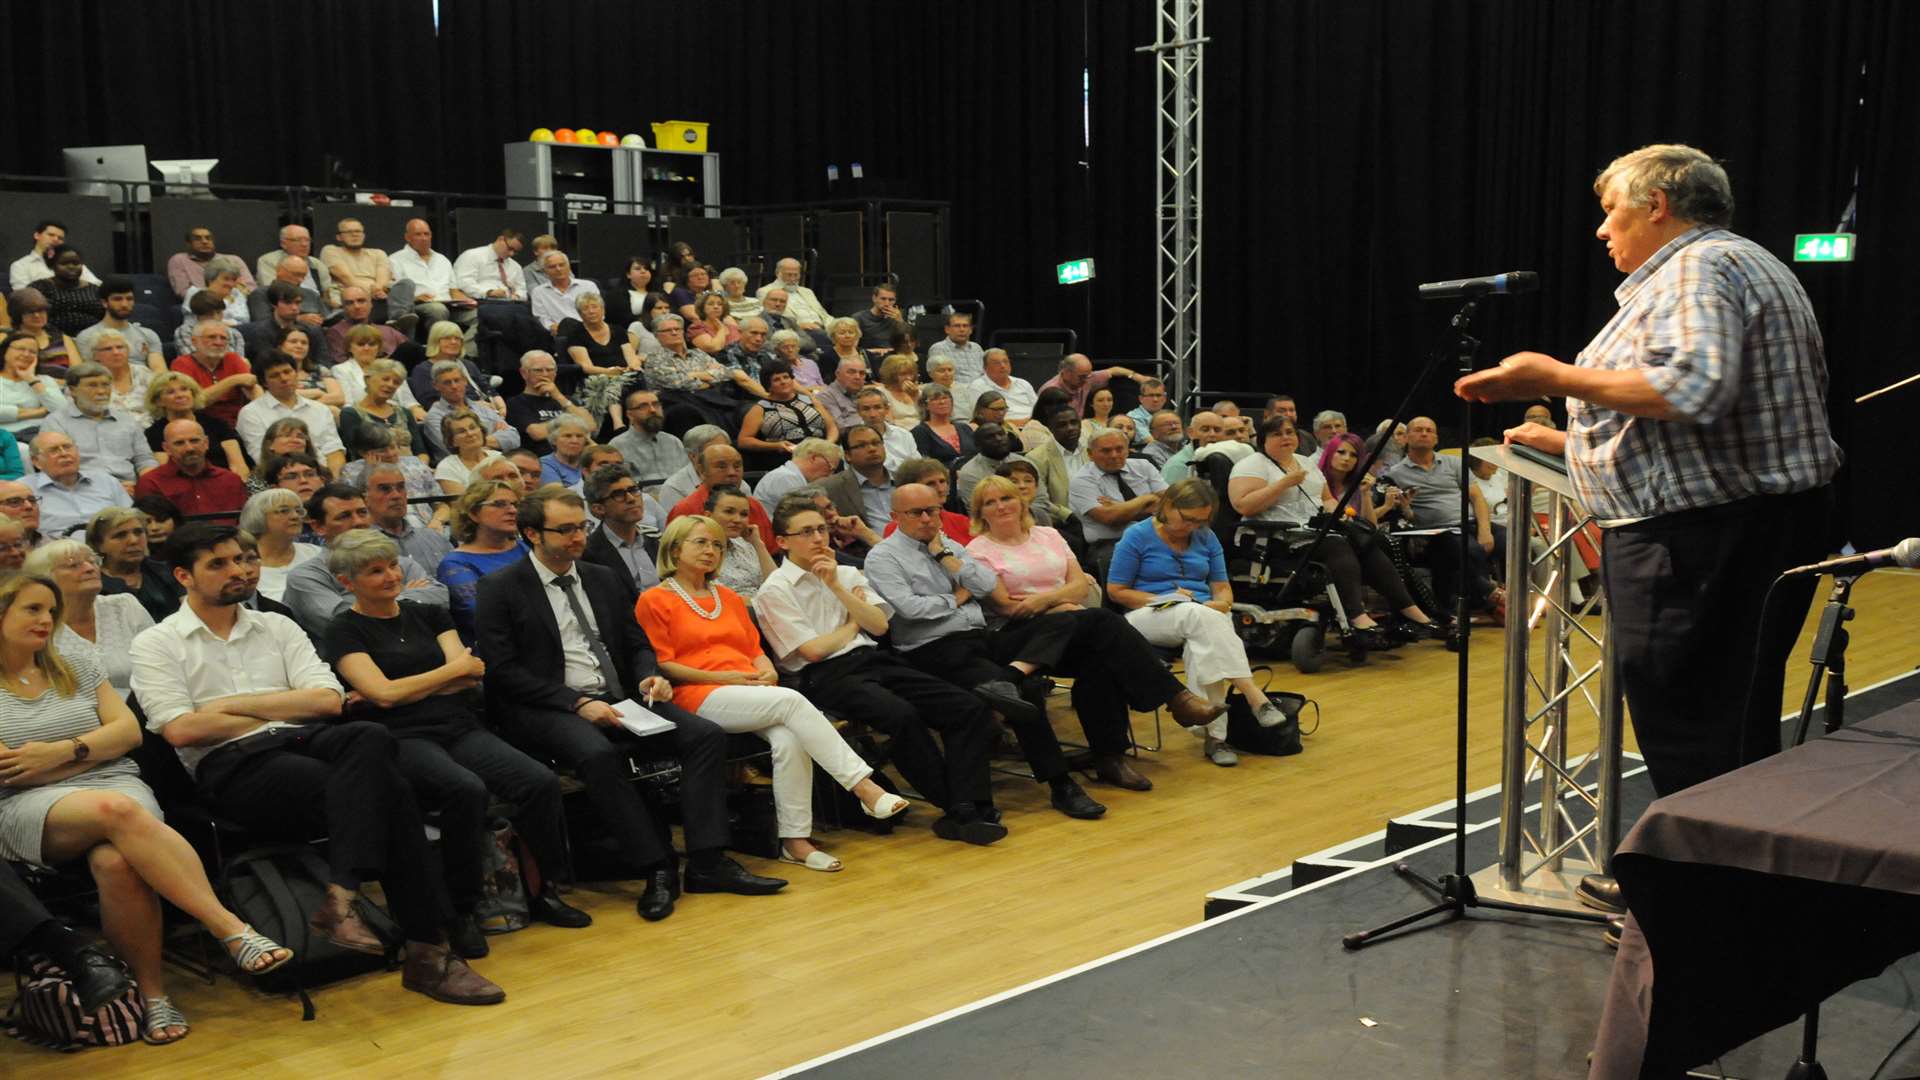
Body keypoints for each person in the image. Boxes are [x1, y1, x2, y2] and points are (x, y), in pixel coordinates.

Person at [1453, 144, 1842, 919]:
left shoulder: (1695, 271)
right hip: (1743, 526)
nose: (1602, 230)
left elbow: (1691, 388)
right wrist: (1574, 443)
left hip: (1700, 541)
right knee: (1729, 716)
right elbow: (1719, 416)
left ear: (1658, 204)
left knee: (1691, 720)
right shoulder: (1745, 262)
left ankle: (1701, 912)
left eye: (1612, 210)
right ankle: (1720, 887)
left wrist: (1551, 377)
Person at [132, 523, 502, 1004]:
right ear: (183, 575)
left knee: (368, 734)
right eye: (219, 563)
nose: (240, 570)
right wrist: (284, 701)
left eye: (245, 558)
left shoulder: (278, 625)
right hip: (235, 765)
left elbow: (328, 702)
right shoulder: (158, 642)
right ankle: (427, 951)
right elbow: (181, 729)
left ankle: (348, 896)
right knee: (390, 794)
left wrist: (229, 705)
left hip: (312, 741)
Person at [0, 570, 293, 1044]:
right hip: (25, 805)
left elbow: (129, 734)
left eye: (51, 611)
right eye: (32, 609)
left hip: (114, 783)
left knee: (117, 860)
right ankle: (229, 927)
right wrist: (93, 748)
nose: (46, 619)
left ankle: (151, 998)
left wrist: (60, 752)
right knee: (117, 811)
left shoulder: (73, 662)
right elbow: (10, 772)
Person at [476, 486, 786, 918]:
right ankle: (657, 866)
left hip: (621, 696)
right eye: (563, 530)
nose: (576, 537)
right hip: (547, 705)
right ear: (531, 533)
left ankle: (707, 861)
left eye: (580, 527)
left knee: (704, 736)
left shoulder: (601, 576)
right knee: (598, 754)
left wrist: (649, 677)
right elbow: (503, 669)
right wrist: (576, 703)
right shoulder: (501, 588)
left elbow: (635, 642)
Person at [324, 529, 587, 952]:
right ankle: (462, 909)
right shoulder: (343, 631)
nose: (391, 575)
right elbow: (387, 696)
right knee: (464, 789)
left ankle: (544, 890)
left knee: (537, 781)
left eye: (392, 565)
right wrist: (429, 681)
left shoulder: (428, 614)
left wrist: (402, 688)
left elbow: (470, 674)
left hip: (457, 725)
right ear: (347, 582)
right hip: (400, 738)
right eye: (375, 571)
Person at [640, 514, 908, 868]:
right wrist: (731, 679)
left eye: (718, 545)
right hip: (697, 693)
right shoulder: (654, 599)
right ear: (674, 548)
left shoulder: (730, 598)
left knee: (789, 739)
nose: (711, 551)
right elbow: (666, 664)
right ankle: (864, 787)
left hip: (748, 690)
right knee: (792, 700)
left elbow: (754, 650)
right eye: (701, 542)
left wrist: (764, 669)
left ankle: (795, 842)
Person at [753, 494, 1008, 853]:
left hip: (873, 660)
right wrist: (849, 623)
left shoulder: (845, 573)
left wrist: (837, 589)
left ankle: (970, 804)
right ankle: (957, 808)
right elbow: (811, 651)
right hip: (824, 676)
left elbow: (877, 625)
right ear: (782, 541)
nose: (817, 539)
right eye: (806, 532)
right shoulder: (774, 589)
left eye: (822, 529)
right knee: (901, 715)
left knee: (967, 706)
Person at [865, 484, 1115, 817]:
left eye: (933, 510)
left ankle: (1010, 676)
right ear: (896, 517)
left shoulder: (950, 546)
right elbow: (911, 610)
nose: (927, 519)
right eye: (916, 513)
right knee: (1024, 693)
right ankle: (1062, 785)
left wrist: (945, 558)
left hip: (979, 636)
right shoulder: (883, 557)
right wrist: (956, 598)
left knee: (1067, 620)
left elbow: (984, 587)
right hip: (931, 648)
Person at [967, 473, 1226, 787]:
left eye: (1006, 498)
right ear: (980, 512)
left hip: (1069, 628)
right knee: (1102, 622)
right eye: (990, 502)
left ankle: (1109, 758)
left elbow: (1080, 586)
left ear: (1021, 501)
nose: (1001, 506)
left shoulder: (1048, 534)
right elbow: (1008, 606)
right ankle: (1176, 700)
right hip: (1017, 638)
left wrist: (1050, 601)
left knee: (1101, 662)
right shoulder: (977, 550)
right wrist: (1060, 605)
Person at [1106, 479, 1300, 766]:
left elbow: (1222, 587)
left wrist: (1221, 603)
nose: (1193, 527)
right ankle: (1254, 696)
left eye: (1200, 521)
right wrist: (1168, 597)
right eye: (1187, 519)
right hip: (1148, 614)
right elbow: (1117, 591)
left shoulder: (1206, 537)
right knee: (1200, 617)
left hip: (1200, 614)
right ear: (1168, 506)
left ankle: (1215, 737)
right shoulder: (1137, 536)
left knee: (1203, 637)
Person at [1229, 415, 1440, 642]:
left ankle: (1410, 609)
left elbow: (1326, 499)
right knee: (1336, 545)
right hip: (1274, 535)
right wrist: (1283, 484)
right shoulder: (1252, 464)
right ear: (1263, 440)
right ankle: (1356, 615)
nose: (1285, 437)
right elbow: (1243, 505)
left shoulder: (1305, 462)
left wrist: (1345, 517)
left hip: (1313, 529)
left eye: (1290, 432)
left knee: (1368, 542)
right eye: (1277, 434)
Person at [282, 483, 449, 639]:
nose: (358, 522)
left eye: (362, 513)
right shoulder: (306, 577)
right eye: (344, 516)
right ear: (319, 527)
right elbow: (342, 622)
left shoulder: (400, 562)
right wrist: (404, 595)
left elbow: (440, 598)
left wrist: (371, 603)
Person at [1376, 416, 1501, 616]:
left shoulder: (1455, 463)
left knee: (1512, 541)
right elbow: (1402, 516)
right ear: (1406, 438)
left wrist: (1485, 530)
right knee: (1470, 549)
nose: (1424, 433)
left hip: (1471, 522)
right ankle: (1492, 597)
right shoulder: (1395, 474)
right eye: (1418, 430)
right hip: (1439, 530)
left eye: (1429, 430)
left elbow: (1477, 499)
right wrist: (1407, 509)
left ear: (1436, 439)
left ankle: (1510, 596)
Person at [435, 480, 525, 642]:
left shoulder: (529, 548)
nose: (512, 510)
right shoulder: (455, 563)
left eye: (515, 504)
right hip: (495, 648)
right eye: (500, 504)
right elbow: (482, 615)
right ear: (473, 513)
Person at [40, 361, 156, 487]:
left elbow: (145, 460)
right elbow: (56, 465)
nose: (101, 391)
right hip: (82, 489)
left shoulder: (127, 421)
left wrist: (145, 485)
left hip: (130, 487)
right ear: (73, 390)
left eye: (106, 385)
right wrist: (109, 488)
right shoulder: (56, 422)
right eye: (92, 385)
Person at [235, 351, 346, 473]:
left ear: (296, 374)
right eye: (274, 375)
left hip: (323, 475)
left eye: (287, 372)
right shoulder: (251, 413)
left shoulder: (320, 409)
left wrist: (333, 479)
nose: (284, 378)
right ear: (264, 383)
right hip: (280, 477)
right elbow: (261, 457)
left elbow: (334, 451)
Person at [1069, 426, 1169, 558]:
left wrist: (1120, 507)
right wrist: (1147, 499)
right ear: (1090, 454)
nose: (1114, 455)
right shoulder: (1082, 480)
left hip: (1156, 535)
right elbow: (1110, 518)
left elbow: (1169, 502)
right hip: (1111, 544)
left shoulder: (1143, 466)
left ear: (1127, 450)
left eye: (1119, 449)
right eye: (1106, 451)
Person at [665, 441, 776, 548]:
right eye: (721, 467)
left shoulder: (754, 505)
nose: (732, 473)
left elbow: (772, 551)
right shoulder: (685, 509)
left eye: (737, 466)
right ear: (702, 471)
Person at [134, 420, 248, 519]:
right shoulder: (151, 483)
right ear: (166, 448)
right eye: (179, 443)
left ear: (206, 443)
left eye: (194, 441)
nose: (189, 448)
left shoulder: (231, 480)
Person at [27, 431, 132, 537]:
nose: (64, 453)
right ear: (36, 461)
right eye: (54, 450)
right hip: (55, 549)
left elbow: (131, 518)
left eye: (68, 447)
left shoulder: (106, 481)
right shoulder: (25, 489)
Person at [90, 507, 182, 622]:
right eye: (120, 535)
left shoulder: (168, 571)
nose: (133, 540)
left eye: (138, 532)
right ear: (99, 545)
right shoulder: (91, 583)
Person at [580, 464, 661, 596]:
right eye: (618, 494)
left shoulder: (656, 539)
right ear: (598, 508)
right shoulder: (588, 554)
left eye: (633, 490)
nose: (631, 498)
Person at [738, 359, 835, 467]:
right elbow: (743, 441)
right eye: (776, 379)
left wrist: (828, 443)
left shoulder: (810, 400)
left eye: (786, 377)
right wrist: (775, 446)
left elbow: (832, 427)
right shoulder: (760, 408)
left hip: (820, 451)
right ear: (768, 386)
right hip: (786, 458)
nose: (783, 381)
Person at [321, 219, 413, 333]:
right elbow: (346, 277)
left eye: (358, 231)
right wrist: (370, 292)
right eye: (349, 232)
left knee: (406, 283)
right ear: (339, 237)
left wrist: (379, 288)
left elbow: (383, 277)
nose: (355, 234)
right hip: (353, 299)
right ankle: (397, 325)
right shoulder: (331, 251)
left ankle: (397, 320)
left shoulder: (377, 253)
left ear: (363, 235)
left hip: (380, 297)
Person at [171, 318, 258, 432]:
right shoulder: (182, 363)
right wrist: (234, 380)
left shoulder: (232, 358)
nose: (218, 342)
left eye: (223, 338)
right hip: (201, 425)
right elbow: (196, 402)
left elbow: (251, 385)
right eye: (211, 337)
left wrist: (260, 410)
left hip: (239, 422)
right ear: (194, 341)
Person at [337, 358, 428, 466]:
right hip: (374, 470)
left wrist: (421, 468)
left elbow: (421, 452)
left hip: (413, 469)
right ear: (368, 379)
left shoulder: (404, 412)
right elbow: (358, 453)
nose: (391, 385)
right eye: (385, 379)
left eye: (396, 382)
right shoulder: (351, 414)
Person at [239, 487, 321, 604]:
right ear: (257, 516)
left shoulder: (316, 554)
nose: (295, 516)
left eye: (298, 511)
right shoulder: (243, 565)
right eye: (284, 511)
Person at [389, 219, 473, 332]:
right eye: (418, 234)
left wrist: (467, 301)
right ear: (407, 237)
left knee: (479, 314)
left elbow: (453, 290)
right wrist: (415, 298)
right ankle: (437, 348)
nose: (424, 238)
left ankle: (466, 349)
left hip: (450, 305)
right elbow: (396, 292)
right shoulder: (396, 259)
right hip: (419, 306)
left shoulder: (442, 259)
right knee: (438, 309)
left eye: (426, 234)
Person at [363, 456, 451, 561]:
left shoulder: (434, 538)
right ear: (365, 498)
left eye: (401, 487)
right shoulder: (360, 547)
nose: (396, 495)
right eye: (385, 489)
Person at [424, 359, 518, 458]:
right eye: (447, 383)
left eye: (457, 380)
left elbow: (514, 438)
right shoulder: (434, 416)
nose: (454, 386)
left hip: (498, 462)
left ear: (465, 381)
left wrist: (472, 443)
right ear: (436, 386)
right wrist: (496, 436)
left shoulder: (481, 408)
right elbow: (455, 449)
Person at [505, 350, 591, 456]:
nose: (545, 374)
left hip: (577, 458)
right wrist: (575, 425)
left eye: (550, 370)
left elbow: (590, 425)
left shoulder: (568, 400)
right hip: (541, 458)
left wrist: (559, 396)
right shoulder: (516, 403)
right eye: (538, 370)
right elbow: (537, 433)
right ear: (524, 373)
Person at [76, 277, 168, 376]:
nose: (124, 304)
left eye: (129, 299)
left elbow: (159, 371)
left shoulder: (148, 334)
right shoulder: (87, 336)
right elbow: (90, 373)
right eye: (117, 299)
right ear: (104, 303)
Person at [702, 484, 776, 600]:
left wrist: (758, 544)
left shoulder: (746, 544)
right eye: (729, 512)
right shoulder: (699, 551)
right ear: (708, 515)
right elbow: (713, 597)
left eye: (744, 514)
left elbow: (777, 584)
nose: (737, 520)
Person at [608, 384, 684, 489]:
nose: (652, 410)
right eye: (643, 406)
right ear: (630, 415)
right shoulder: (617, 447)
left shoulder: (673, 442)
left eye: (656, 404)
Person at [0, 329, 66, 440]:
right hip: (6, 437)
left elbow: (62, 410)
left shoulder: (44, 380)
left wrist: (32, 380)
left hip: (43, 435)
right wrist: (40, 412)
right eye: (20, 349)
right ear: (5, 351)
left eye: (32, 352)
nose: (26, 354)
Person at [28, 246, 105, 340]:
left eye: (76, 263)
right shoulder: (40, 287)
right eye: (64, 263)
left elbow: (105, 318)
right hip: (52, 339)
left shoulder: (95, 289)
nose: (71, 267)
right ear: (52, 265)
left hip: (94, 338)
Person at [1039, 353, 1148, 418]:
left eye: (1088, 375)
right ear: (1066, 373)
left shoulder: (1087, 378)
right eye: (1082, 376)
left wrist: (1140, 378)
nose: (1086, 380)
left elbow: (1114, 370)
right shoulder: (1050, 390)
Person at [755, 257, 833, 348]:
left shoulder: (807, 291)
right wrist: (800, 325)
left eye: (796, 275)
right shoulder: (766, 291)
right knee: (822, 336)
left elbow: (823, 314)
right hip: (800, 330)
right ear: (778, 274)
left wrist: (834, 326)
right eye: (789, 275)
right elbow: (777, 317)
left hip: (821, 328)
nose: (793, 279)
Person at [753, 437, 840, 515]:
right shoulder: (785, 478)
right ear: (814, 458)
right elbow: (802, 518)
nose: (830, 475)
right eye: (830, 467)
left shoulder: (789, 476)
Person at [166, 226, 256, 299]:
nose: (205, 241)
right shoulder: (179, 260)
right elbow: (183, 292)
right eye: (198, 239)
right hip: (202, 304)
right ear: (188, 244)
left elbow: (251, 288)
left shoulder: (233, 259)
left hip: (238, 302)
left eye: (208, 238)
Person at [10, 221, 101, 291]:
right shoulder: (20, 265)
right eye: (51, 235)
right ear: (37, 235)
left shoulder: (72, 263)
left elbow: (97, 285)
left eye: (60, 238)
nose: (55, 239)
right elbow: (23, 295)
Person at [10, 287, 81, 375]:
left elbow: (78, 373)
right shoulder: (7, 339)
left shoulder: (63, 339)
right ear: (17, 314)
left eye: (41, 310)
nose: (37, 315)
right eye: (30, 311)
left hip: (64, 387)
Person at [956, 349, 1036, 427]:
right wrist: (1018, 423)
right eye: (996, 363)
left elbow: (1038, 409)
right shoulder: (977, 386)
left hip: (1033, 425)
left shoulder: (1023, 383)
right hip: (1002, 429)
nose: (1003, 366)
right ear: (985, 367)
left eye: (1005, 361)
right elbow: (981, 418)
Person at [433, 409, 501, 495]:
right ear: (452, 441)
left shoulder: (498, 457)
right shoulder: (447, 467)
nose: (470, 434)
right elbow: (462, 504)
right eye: (461, 431)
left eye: (473, 428)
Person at [528, 251, 599, 333]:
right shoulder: (538, 292)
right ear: (545, 271)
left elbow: (599, 311)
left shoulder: (588, 286)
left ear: (569, 267)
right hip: (559, 333)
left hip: (589, 330)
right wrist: (551, 327)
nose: (558, 269)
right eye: (552, 267)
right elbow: (542, 318)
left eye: (561, 265)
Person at [452, 229, 527, 302]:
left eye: (515, 252)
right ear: (500, 239)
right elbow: (464, 283)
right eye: (510, 248)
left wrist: (517, 296)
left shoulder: (515, 266)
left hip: (510, 304)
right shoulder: (472, 256)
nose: (511, 254)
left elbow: (522, 290)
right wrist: (489, 292)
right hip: (480, 301)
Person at [911, 384, 975, 468]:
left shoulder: (964, 428)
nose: (942, 402)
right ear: (925, 405)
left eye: (945, 398)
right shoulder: (920, 431)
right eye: (935, 399)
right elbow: (924, 463)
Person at [1160, 410, 1225, 484]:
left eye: (1217, 430)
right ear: (1191, 433)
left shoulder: (1225, 458)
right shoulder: (1177, 465)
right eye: (1205, 430)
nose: (1212, 434)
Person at [812, 344, 867, 431]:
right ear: (838, 374)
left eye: (862, 373)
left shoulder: (867, 394)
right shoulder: (826, 396)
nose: (857, 376)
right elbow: (841, 427)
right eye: (851, 372)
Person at [927, 310, 985, 385]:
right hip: (954, 392)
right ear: (947, 329)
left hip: (980, 391)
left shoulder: (977, 348)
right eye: (957, 326)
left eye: (965, 326)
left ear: (971, 330)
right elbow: (939, 379)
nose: (962, 329)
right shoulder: (938, 348)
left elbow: (985, 374)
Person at [539, 413, 593, 486]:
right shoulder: (545, 464)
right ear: (554, 440)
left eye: (579, 436)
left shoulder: (589, 463)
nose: (574, 441)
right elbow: (559, 495)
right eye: (567, 436)